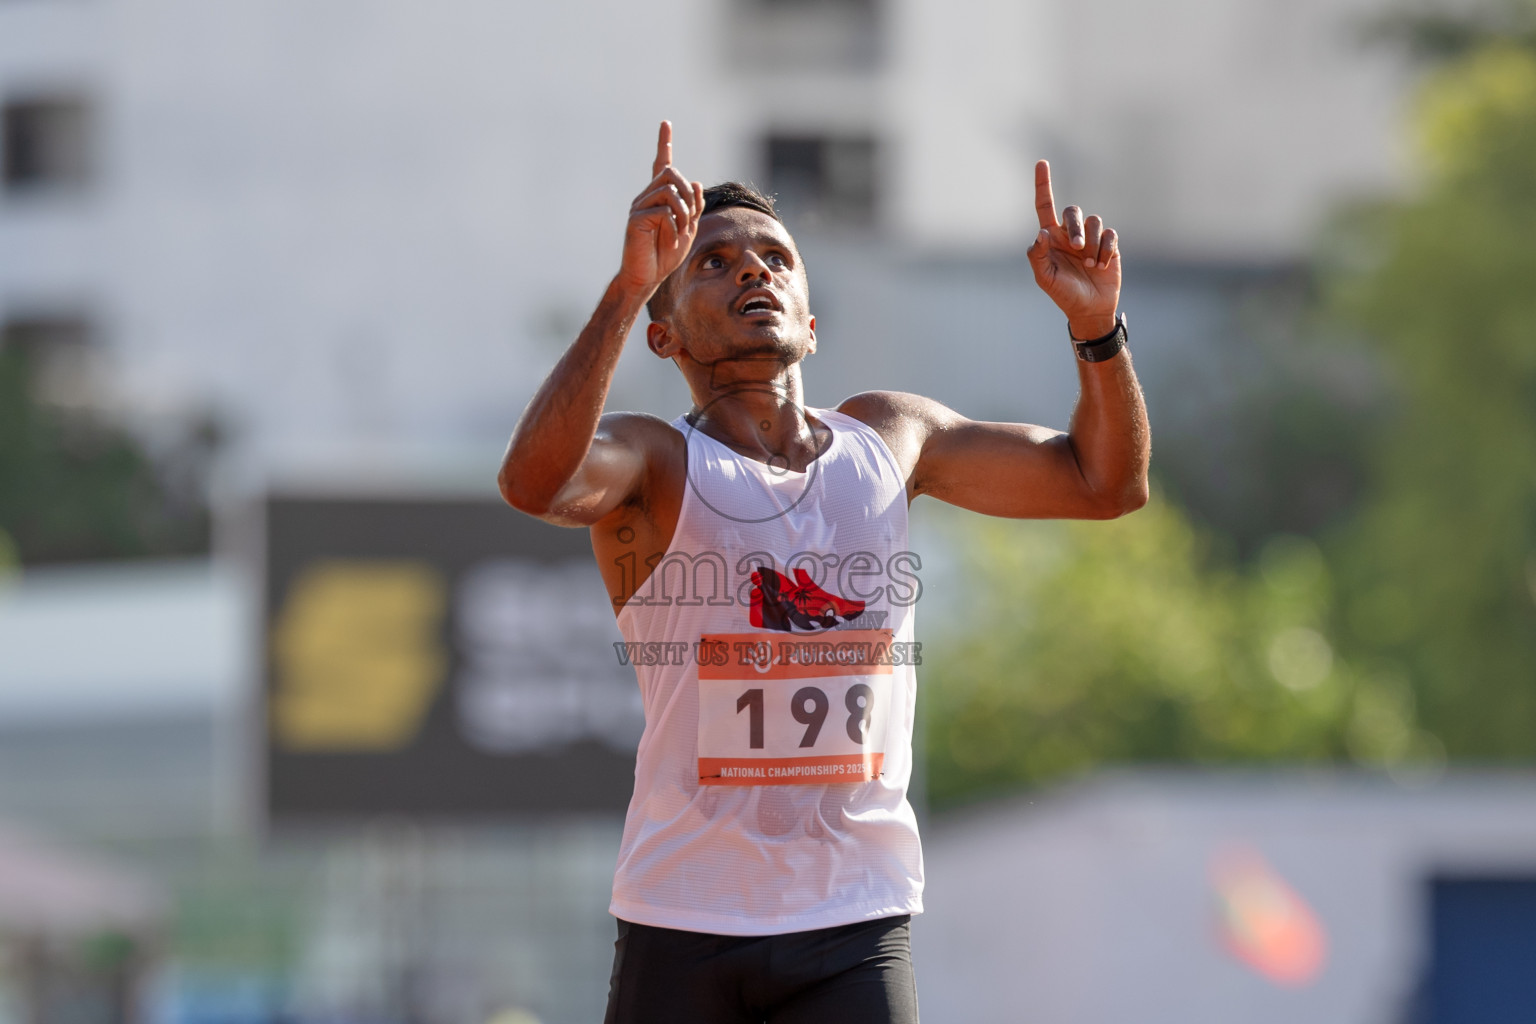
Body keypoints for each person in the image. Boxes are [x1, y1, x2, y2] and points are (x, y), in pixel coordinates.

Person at [497, 121, 1150, 1024]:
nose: (752, 271)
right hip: (682, 916)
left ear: (811, 322)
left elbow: (1104, 484)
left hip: (854, 921)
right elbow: (535, 483)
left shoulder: (891, 437)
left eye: (775, 258)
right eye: (714, 263)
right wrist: (625, 288)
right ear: (663, 334)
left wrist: (1096, 329)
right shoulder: (655, 462)